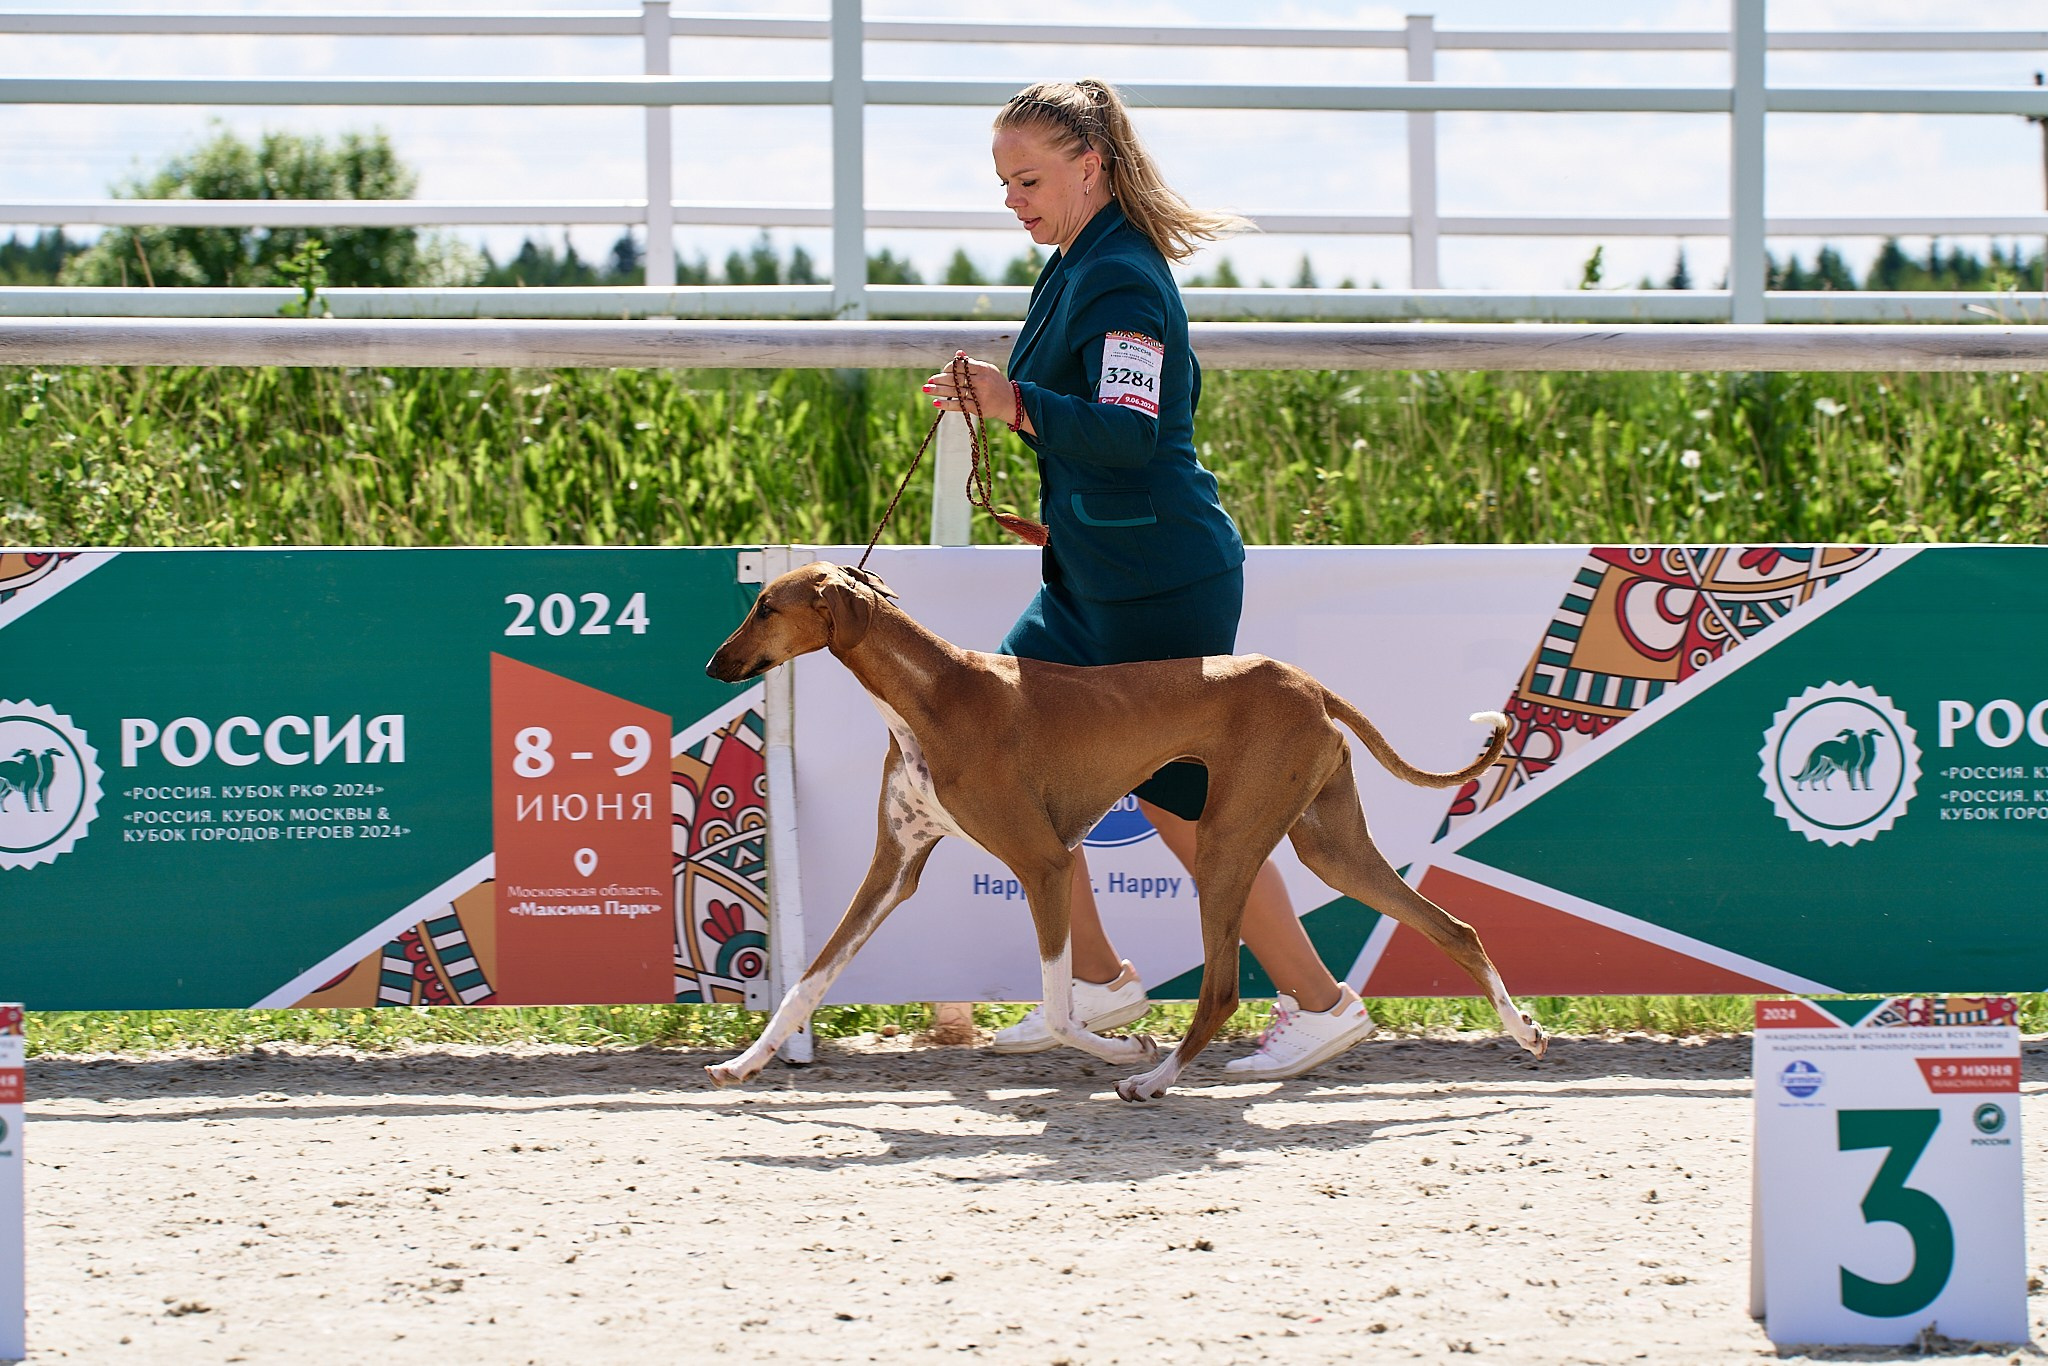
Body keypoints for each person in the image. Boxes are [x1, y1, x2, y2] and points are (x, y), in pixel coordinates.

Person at [920, 78, 1377, 1081]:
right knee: (999, 760)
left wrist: (1008, 403)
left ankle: (1316, 1001)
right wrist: (1052, 495)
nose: (1011, 200)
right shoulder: (1078, 263)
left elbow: (1130, 432)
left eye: (1028, 178)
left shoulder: (1118, 276)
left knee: (1176, 803)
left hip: (1152, 586)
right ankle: (1094, 985)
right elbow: (1102, 428)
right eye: (1002, 181)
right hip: (1099, 576)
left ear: (1089, 164)